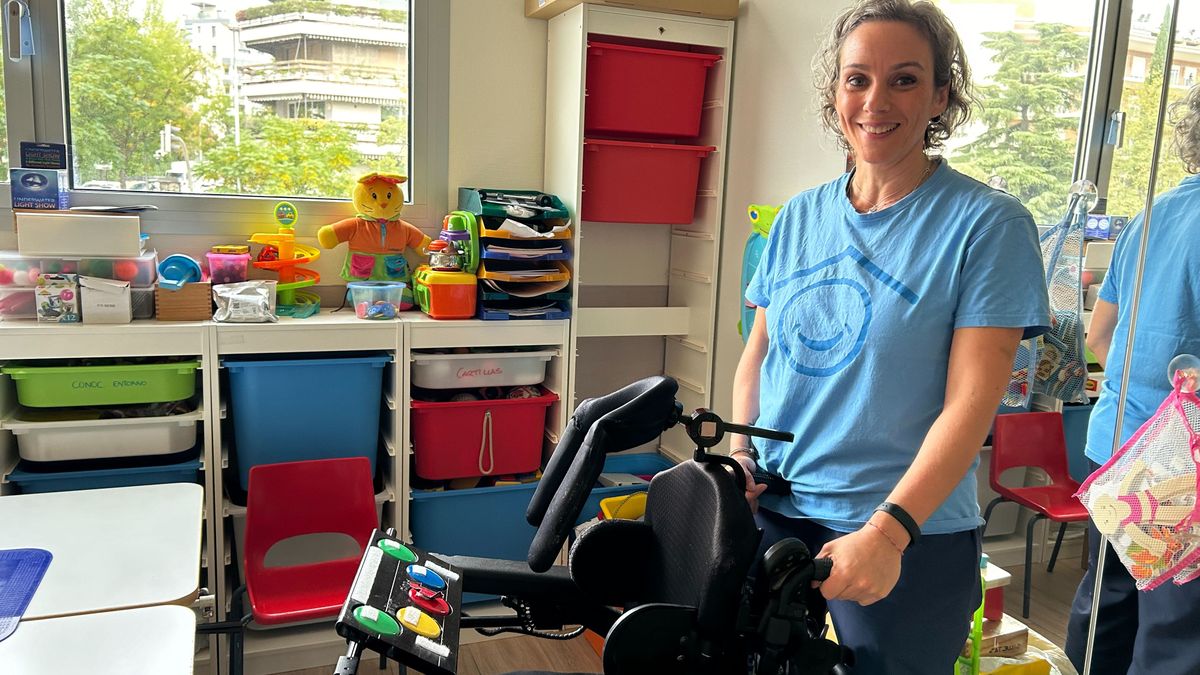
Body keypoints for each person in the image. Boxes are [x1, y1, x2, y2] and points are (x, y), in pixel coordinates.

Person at [730, 1, 1051, 672]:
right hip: (779, 513)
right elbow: (760, 353)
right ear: (835, 93)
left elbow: (972, 401)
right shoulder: (795, 217)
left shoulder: (987, 226)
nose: (876, 100)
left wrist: (889, 531)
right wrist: (740, 455)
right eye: (858, 79)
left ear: (940, 95)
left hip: (906, 530)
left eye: (904, 80)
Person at [1064, 83, 1200, 675]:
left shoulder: (1152, 214)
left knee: (1106, 608)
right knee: (1176, 633)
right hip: (1179, 475)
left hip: (1114, 453)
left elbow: (1099, 337)